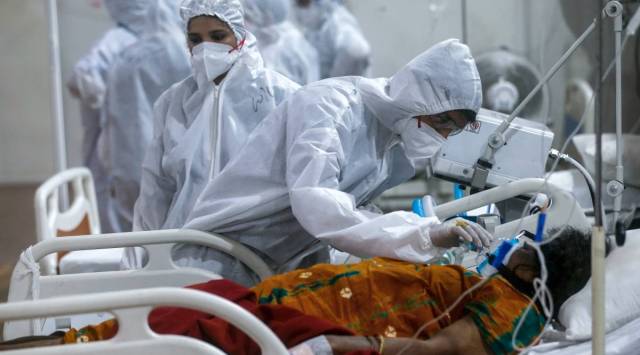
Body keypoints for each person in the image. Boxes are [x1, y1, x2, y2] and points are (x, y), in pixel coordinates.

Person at [125, 38, 492, 286]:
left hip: (278, 265)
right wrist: (423, 233)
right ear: (419, 98)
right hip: (221, 260)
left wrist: (424, 234)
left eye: (452, 130)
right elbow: (317, 203)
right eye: (442, 122)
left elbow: (356, 211)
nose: (442, 136)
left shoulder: (388, 140)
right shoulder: (332, 105)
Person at [6, 228, 598, 355]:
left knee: (178, 326)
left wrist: (326, 348)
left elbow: (432, 351)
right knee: (175, 312)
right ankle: (60, 341)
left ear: (533, 272)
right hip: (289, 305)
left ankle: (56, 346)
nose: (517, 245)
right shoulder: (500, 286)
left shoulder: (512, 314)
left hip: (304, 329)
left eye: (527, 248)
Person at [122, 0, 301, 271]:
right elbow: (155, 193)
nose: (206, 47)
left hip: (263, 256)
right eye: (196, 39)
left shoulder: (281, 96)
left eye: (218, 37)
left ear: (239, 35)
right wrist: (139, 265)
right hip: (185, 252)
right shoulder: (173, 104)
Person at [103, 0, 192, 232]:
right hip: (177, 165)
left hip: (129, 162)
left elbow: (111, 117)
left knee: (135, 237)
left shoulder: (125, 58)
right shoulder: (187, 55)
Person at [66, 0, 150, 233]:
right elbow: (83, 79)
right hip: (132, 157)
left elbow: (80, 80)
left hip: (124, 158)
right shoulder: (152, 42)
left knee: (123, 238)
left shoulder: (121, 40)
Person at [241, 0, 320, 85]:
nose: (247, 20)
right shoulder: (260, 38)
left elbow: (310, 87)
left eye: (248, 16)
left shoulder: (293, 44)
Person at [293, 0, 371, 79]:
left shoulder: (338, 21)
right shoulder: (314, 29)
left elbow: (356, 50)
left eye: (303, 3)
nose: (298, 9)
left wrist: (335, 84)